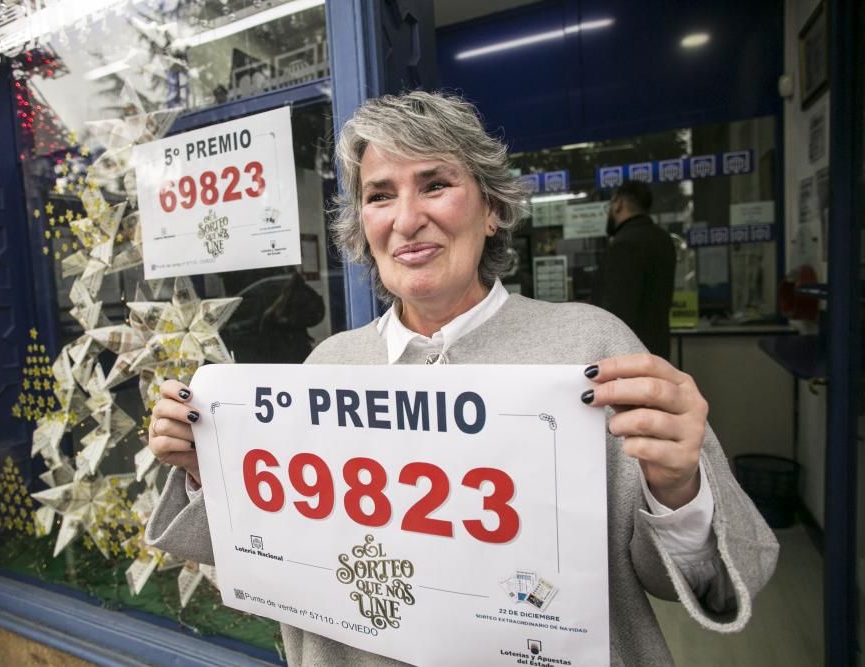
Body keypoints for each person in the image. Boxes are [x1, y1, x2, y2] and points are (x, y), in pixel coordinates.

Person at [145, 91, 778, 666]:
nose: (407, 217)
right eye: (380, 194)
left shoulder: (590, 349)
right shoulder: (329, 367)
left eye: (436, 183)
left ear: (493, 208)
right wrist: (209, 469)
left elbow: (694, 581)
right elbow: (278, 549)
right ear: (362, 224)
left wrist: (677, 489)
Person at [592, 180, 677, 359]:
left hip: (629, 354)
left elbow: (617, 308)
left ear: (618, 204)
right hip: (658, 347)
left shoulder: (624, 244)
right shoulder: (664, 239)